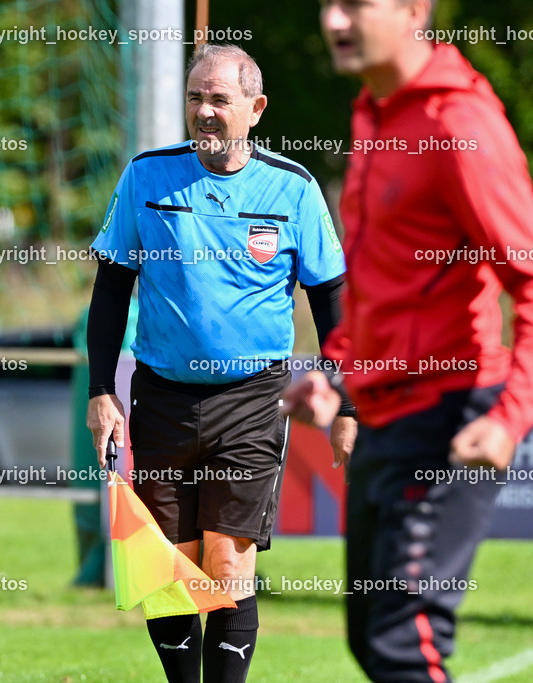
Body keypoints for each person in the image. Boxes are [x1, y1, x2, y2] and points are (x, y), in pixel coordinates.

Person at [283, 2, 533, 681]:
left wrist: (509, 420)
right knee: (371, 639)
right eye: (328, 4)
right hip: (382, 420)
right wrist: (334, 369)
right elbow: (383, 282)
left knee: (403, 643)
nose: (334, 21)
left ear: (414, 10)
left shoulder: (459, 124)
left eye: (356, 4)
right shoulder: (373, 114)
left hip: (447, 416)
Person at [85, 44, 356, 683]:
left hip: (253, 400)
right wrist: (101, 390)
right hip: (160, 396)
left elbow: (332, 299)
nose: (204, 111)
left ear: (255, 109)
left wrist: (347, 401)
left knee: (227, 566)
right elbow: (112, 287)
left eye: (219, 100)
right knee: (168, 570)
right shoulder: (146, 177)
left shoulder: (293, 188)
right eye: (195, 98)